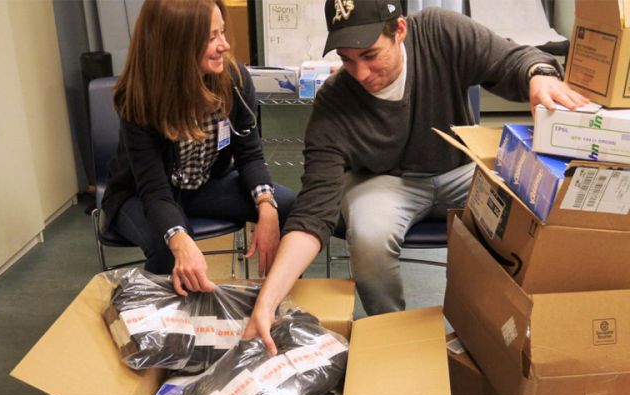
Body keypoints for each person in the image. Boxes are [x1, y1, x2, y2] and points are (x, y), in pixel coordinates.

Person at [245, 0, 588, 355]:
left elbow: (512, 60)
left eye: (371, 55)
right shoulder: (335, 102)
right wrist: (267, 301)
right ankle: (394, 341)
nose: (360, 72)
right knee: (369, 237)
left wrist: (538, 76)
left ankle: (516, 331)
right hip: (385, 182)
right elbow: (313, 214)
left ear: (400, 32)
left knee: (530, 202)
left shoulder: (439, 32)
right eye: (348, 60)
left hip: (459, 170)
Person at [101, 0, 296, 295]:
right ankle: (163, 323)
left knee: (292, 208)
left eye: (223, 32)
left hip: (205, 184)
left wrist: (266, 207)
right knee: (169, 246)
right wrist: (178, 237)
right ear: (175, 45)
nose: (225, 45)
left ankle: (279, 305)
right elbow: (154, 190)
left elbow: (249, 154)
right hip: (139, 194)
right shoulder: (139, 97)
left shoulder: (233, 79)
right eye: (211, 37)